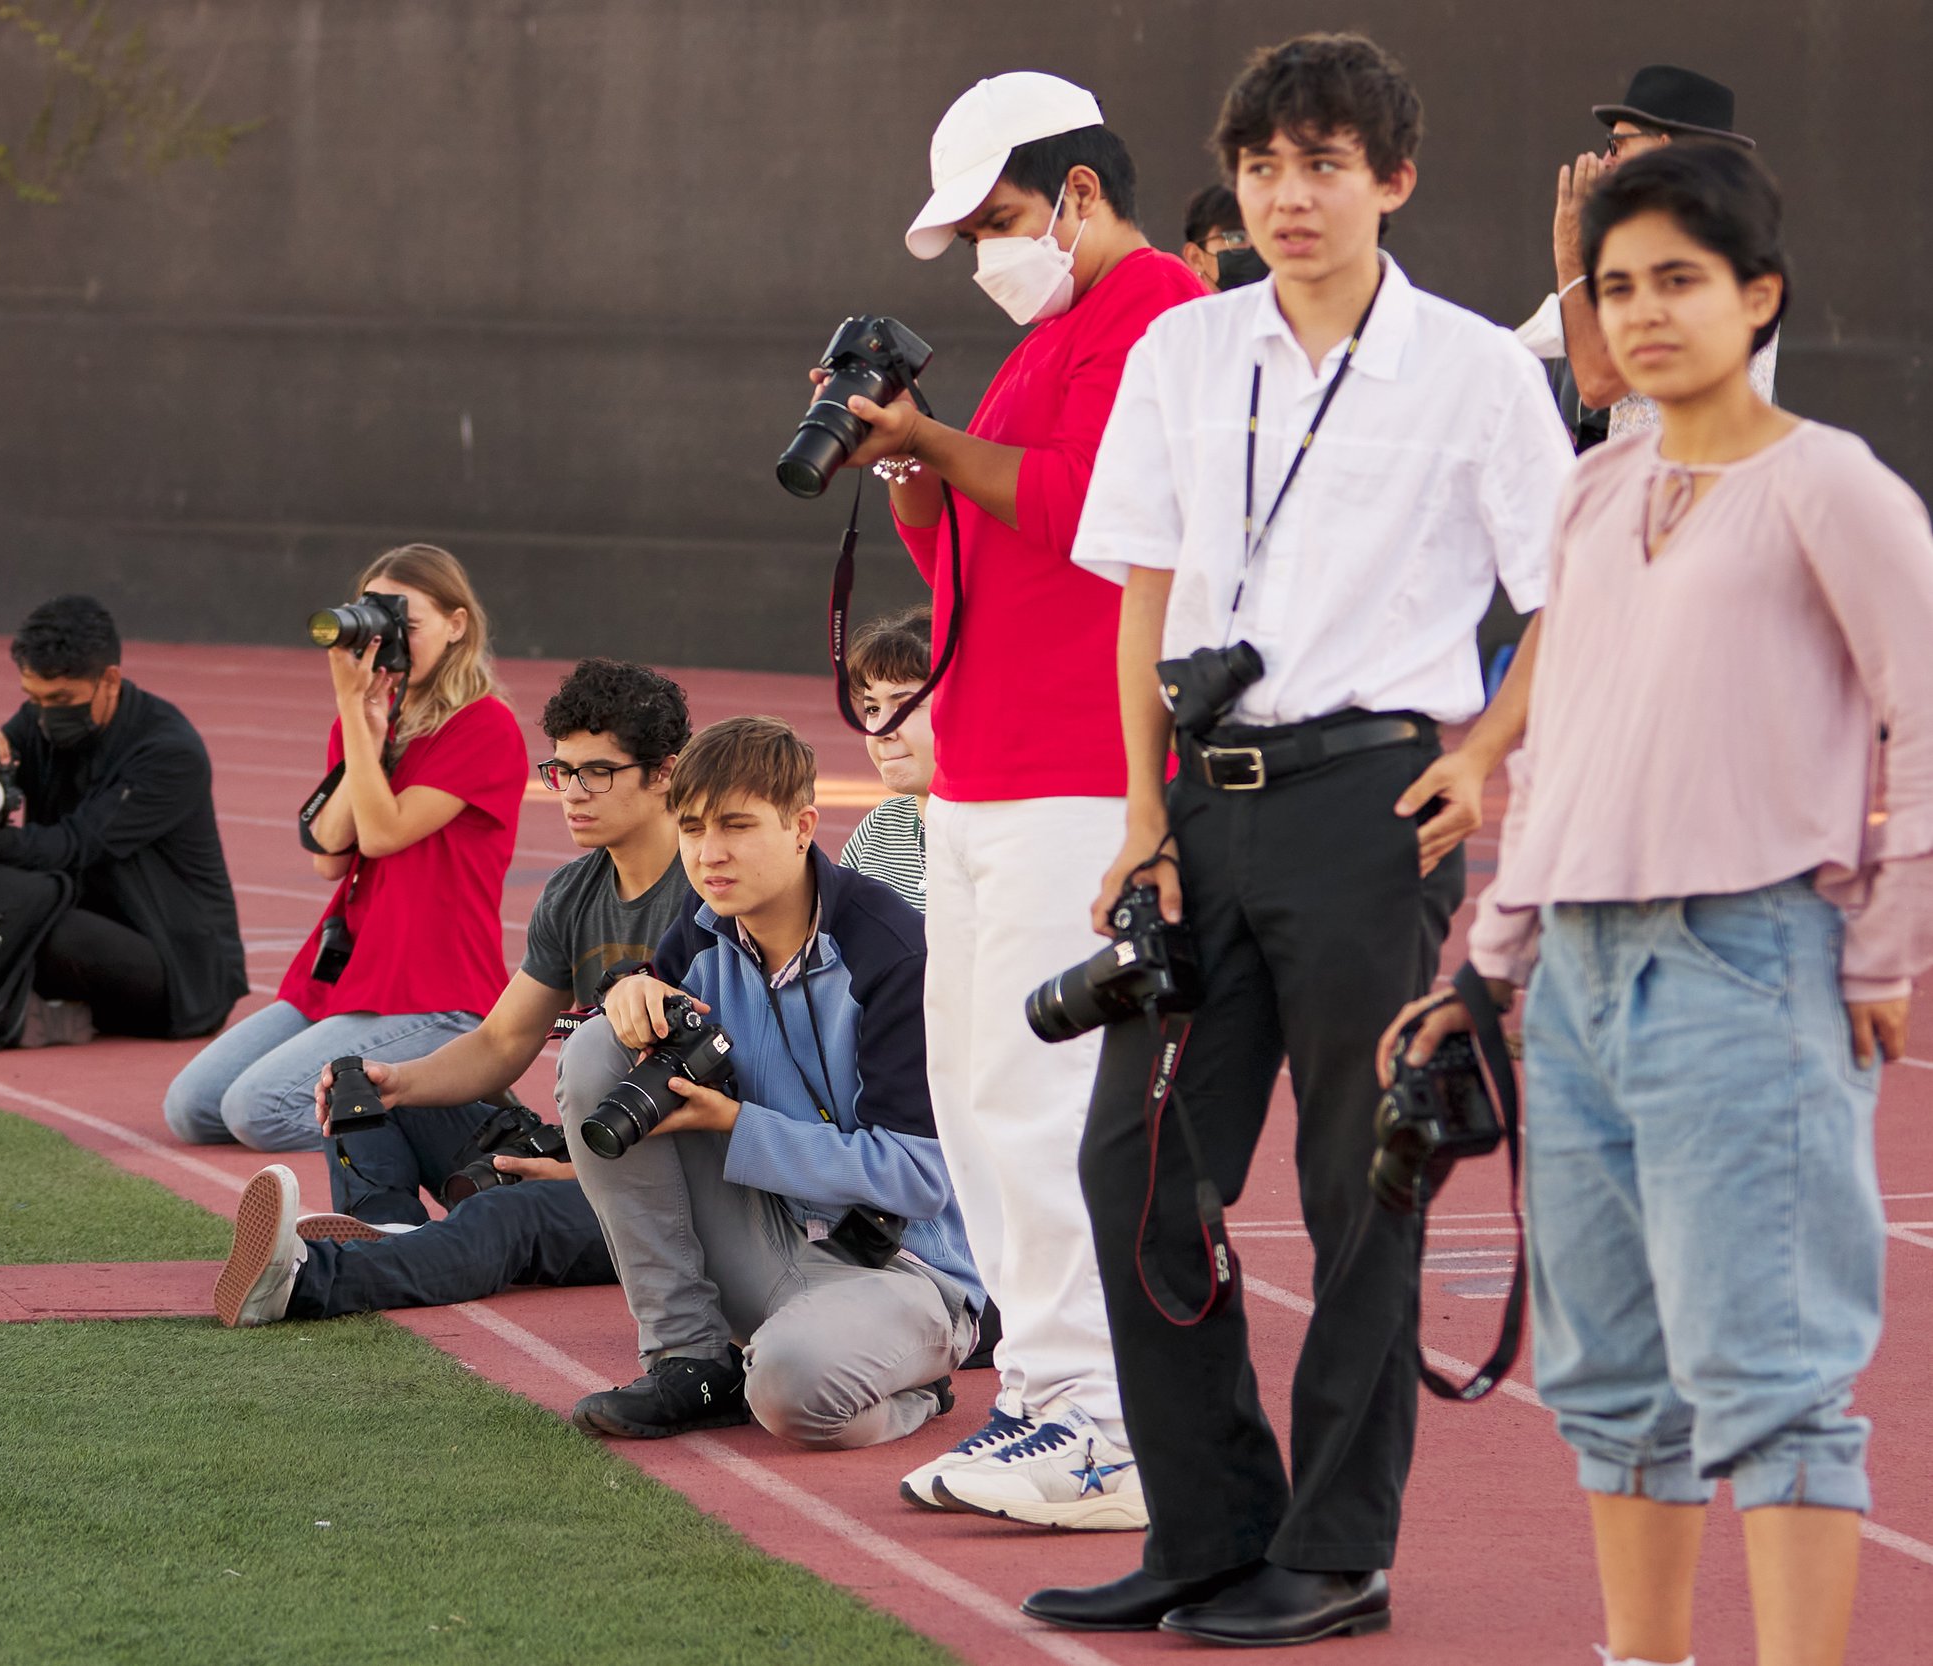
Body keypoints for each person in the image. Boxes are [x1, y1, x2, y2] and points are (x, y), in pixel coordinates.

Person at [1039, 35, 1576, 1644]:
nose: (1289, 194)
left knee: (1361, 1185)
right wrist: (1141, 809)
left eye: (1325, 164)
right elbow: (1143, 586)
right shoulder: (1186, 355)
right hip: (1199, 804)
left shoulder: (1477, 370)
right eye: (1266, 165)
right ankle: (1208, 1530)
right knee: (1135, 1165)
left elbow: (1571, 593)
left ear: (1392, 180)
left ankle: (1337, 1550)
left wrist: (1483, 752)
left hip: (1370, 809)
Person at [1387, 143, 1933, 1666]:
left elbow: (1929, 717)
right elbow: (1566, 746)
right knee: (1614, 1376)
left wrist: (1888, 943)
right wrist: (1484, 966)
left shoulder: (1831, 487)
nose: (1643, 313)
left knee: (1769, 1372)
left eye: (1679, 280)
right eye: (1617, 285)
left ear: (1760, 298)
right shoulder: (1596, 492)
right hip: (1575, 982)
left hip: (1748, 965)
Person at [822, 69, 1207, 1525]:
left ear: (1081, 194)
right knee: (987, 1104)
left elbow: (1082, 515)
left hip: (1071, 777)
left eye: (1001, 218)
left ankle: (1103, 1418)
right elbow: (973, 568)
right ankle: (1052, 1398)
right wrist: (912, 470)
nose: (992, 251)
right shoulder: (1055, 335)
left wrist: (929, 444)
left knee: (1043, 1101)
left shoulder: (1156, 307)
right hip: (989, 773)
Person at [210, 659, 695, 1326]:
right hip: (586, 1144)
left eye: (598, 773)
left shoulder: (712, 893)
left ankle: (306, 1280)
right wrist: (395, 1082)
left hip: (675, 1185)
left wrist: (588, 1174)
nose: (573, 793)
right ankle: (390, 1235)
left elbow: (735, 1090)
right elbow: (501, 1041)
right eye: (561, 771)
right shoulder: (574, 891)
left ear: (664, 772)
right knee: (359, 1085)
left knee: (505, 1216)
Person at [560, 717, 980, 1451]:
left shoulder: (894, 955)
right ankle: (689, 1360)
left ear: (800, 827)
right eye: (691, 829)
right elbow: (634, 1040)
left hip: (904, 1270)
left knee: (789, 1391)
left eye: (737, 825)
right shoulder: (698, 936)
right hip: (774, 1243)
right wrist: (629, 991)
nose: (710, 854)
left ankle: (918, 1390)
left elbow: (921, 1180)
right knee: (600, 1052)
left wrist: (732, 1125)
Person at [164, 544, 525, 1150]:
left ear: (457, 625)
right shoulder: (366, 721)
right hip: (349, 970)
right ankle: (419, 1094)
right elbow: (328, 853)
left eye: (406, 627)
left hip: (433, 986)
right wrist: (361, 722)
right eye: (380, 627)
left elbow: (383, 834)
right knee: (193, 1109)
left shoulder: (483, 725)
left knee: (260, 1112)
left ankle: (445, 1104)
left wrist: (354, 720)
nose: (390, 646)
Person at [0, 594, 244, 1042]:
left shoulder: (168, 752)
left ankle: (14, 1012)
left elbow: (77, 845)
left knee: (29, 924)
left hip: (179, 972)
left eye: (62, 698)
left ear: (110, 680)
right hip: (85, 924)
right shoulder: (40, 719)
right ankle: (14, 1008)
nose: (46, 714)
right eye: (34, 698)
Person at [1513, 66, 1775, 441]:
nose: (1605, 160)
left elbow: (1598, 383)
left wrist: (1569, 250)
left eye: (1617, 144)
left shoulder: (1710, 245)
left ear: (1663, 147)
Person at [836, 607, 934, 914]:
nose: (880, 731)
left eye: (904, 707)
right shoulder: (879, 829)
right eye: (872, 709)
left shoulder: (1008, 836)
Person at [1178, 184, 1267, 291]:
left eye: (1260, 235)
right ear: (1196, 258)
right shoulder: (1187, 308)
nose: (1254, 247)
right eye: (1237, 238)